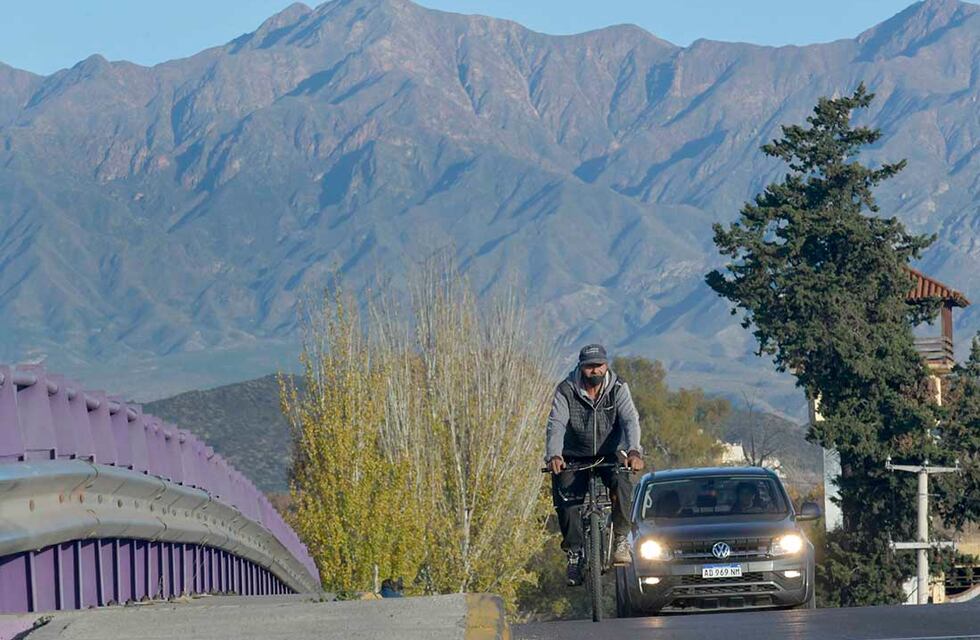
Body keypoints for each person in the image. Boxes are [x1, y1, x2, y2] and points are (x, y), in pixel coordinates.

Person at [545, 343, 645, 586]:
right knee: (566, 499)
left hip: (609, 453)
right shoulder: (566, 389)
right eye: (589, 367)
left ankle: (621, 539)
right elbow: (556, 423)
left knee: (622, 483)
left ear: (606, 365)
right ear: (581, 367)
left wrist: (634, 451)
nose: (594, 371)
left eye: (598, 365)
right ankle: (575, 554)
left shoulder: (618, 387)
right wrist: (554, 455)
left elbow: (630, 420)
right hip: (573, 455)